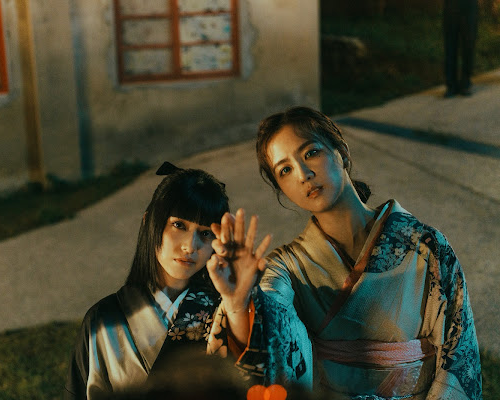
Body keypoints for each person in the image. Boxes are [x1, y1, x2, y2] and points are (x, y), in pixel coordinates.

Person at [206, 107, 482, 399]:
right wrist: (239, 303)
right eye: (285, 170)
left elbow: (458, 355)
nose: (303, 174)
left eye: (311, 153)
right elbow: (270, 317)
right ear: (281, 189)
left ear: (342, 152)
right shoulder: (286, 267)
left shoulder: (425, 245)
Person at [64, 162, 231, 399]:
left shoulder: (226, 311)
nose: (190, 246)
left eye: (205, 233)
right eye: (178, 225)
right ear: (149, 222)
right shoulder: (103, 320)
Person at [443, 0, 479, 97]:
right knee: (450, 45)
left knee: (468, 45)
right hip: (451, 5)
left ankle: (465, 83)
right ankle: (451, 85)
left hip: (469, 5)